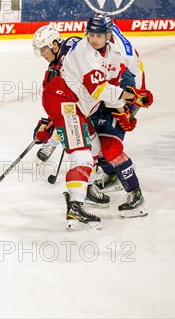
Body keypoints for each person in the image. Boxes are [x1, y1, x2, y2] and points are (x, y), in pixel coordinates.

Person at [61, 13, 154, 219]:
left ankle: (135, 195)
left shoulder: (117, 55)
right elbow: (99, 89)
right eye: (90, 34)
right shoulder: (87, 51)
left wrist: (125, 110)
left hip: (127, 88)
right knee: (95, 144)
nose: (93, 39)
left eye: (98, 35)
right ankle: (111, 175)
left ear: (108, 35)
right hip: (102, 97)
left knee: (110, 146)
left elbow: (114, 84)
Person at [31, 24, 109, 230]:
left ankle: (87, 187)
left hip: (74, 109)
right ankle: (75, 205)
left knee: (95, 147)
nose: (42, 54)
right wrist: (49, 121)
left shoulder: (72, 47)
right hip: (69, 111)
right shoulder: (52, 71)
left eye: (44, 49)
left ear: (55, 44)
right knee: (82, 158)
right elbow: (53, 101)